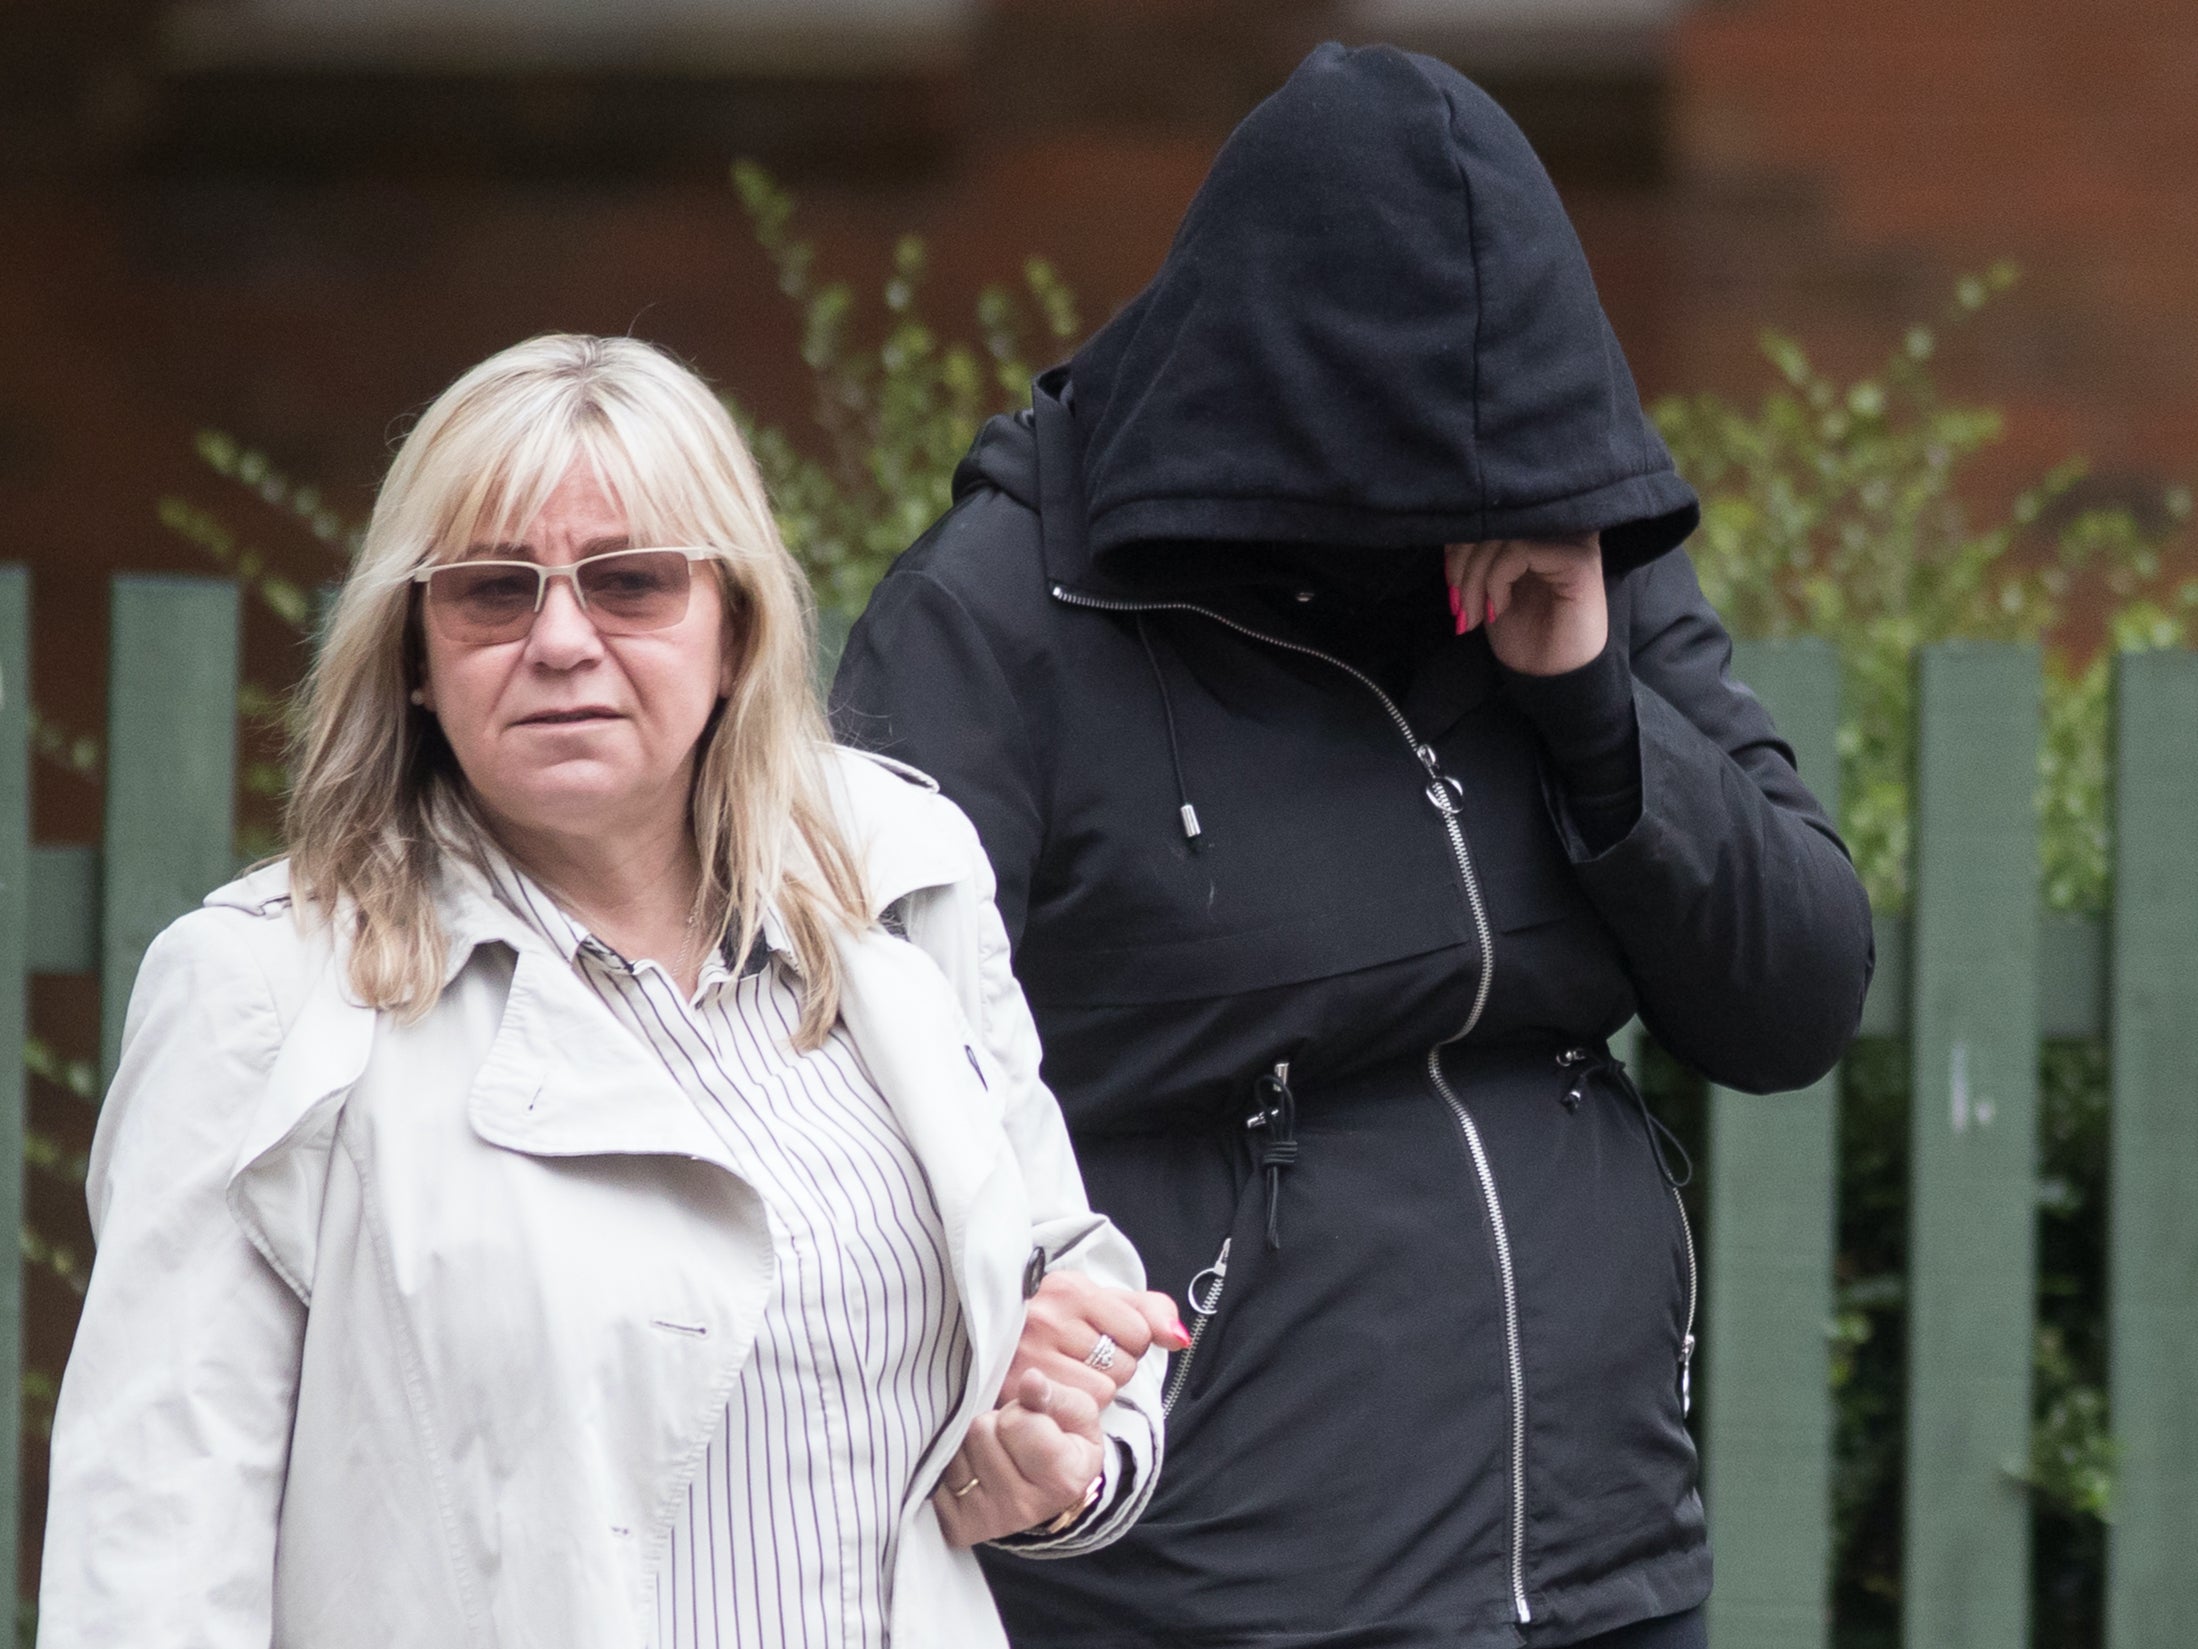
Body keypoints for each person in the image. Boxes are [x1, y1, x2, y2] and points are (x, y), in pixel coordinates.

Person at [831, 42, 1875, 1649]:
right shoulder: (1003, 619)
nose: (1455, 521)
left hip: (1601, 1566)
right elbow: (859, 1095)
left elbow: (1794, 994)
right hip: (1215, 1589)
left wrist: (1594, 704)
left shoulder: (1563, 534)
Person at [38, 334, 1191, 1649]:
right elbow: (153, 1561)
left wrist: (1062, 1454)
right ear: (414, 650)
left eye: (631, 581)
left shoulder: (891, 883)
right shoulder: (264, 996)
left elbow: (1069, 1279)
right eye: (490, 591)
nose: (561, 639)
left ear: (734, 626)